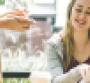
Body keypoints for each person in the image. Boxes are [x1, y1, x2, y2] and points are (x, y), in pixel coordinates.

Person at [44, 0, 90, 83]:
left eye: (89, 12)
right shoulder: (54, 45)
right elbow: (56, 81)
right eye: (78, 10)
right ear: (70, 11)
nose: (82, 16)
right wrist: (79, 71)